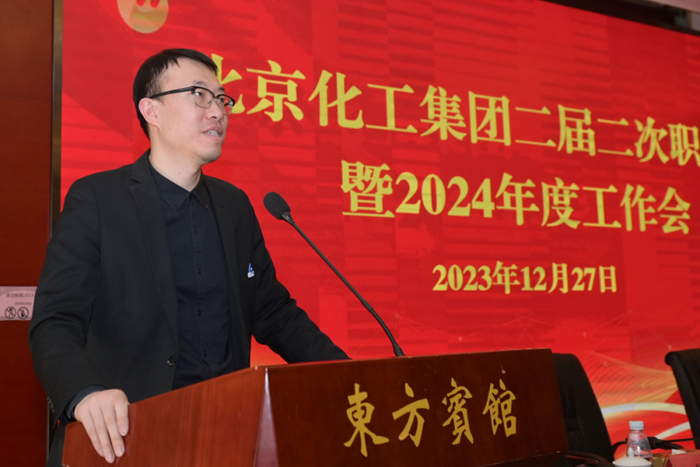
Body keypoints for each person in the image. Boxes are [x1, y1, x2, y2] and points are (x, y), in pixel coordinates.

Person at [28, 48, 348, 466]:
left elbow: (273, 313)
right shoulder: (98, 200)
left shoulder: (235, 206)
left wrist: (346, 374)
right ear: (151, 111)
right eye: (199, 95)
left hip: (221, 437)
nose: (217, 111)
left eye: (222, 99)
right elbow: (55, 322)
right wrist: (85, 393)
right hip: (125, 440)